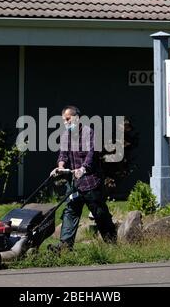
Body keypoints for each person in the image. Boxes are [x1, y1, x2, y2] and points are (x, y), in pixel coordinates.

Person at [48, 105, 117, 252]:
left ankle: (112, 244)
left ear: (77, 118)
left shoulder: (88, 133)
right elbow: (63, 154)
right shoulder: (65, 135)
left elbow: (92, 154)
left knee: (99, 213)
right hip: (74, 184)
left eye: (68, 119)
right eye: (63, 121)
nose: (65, 123)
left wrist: (83, 169)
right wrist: (60, 167)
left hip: (90, 181)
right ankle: (65, 247)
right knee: (70, 212)